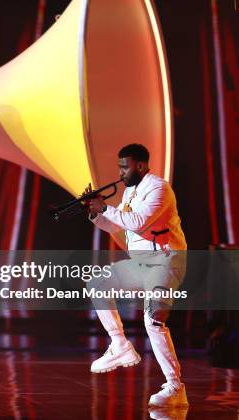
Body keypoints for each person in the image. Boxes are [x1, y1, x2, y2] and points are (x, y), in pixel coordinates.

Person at [85, 143, 188, 407]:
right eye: (119, 166)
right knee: (97, 283)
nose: (120, 172)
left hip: (166, 262)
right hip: (141, 263)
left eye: (124, 167)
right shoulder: (131, 190)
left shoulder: (159, 188)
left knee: (153, 321)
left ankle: (175, 388)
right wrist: (96, 214)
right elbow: (118, 227)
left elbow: (137, 222)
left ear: (140, 166)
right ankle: (120, 345)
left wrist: (106, 207)